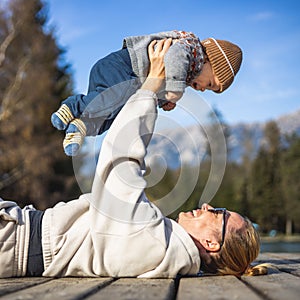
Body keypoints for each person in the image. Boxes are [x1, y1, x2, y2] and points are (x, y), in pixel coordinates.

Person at [0, 39, 267, 279]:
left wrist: (151, 86)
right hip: (18, 231)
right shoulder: (166, 247)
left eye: (219, 214)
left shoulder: (156, 244)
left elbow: (120, 164)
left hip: (13, 240)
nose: (209, 205)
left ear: (211, 243)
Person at [51, 30, 243, 156]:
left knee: (113, 117)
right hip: (121, 67)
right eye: (209, 84)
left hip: (125, 83)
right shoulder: (191, 49)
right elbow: (175, 56)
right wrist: (175, 91)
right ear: (210, 60)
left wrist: (163, 101)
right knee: (118, 97)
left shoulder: (186, 73)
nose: (202, 89)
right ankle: (74, 105)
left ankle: (81, 127)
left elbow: (152, 88)